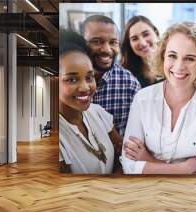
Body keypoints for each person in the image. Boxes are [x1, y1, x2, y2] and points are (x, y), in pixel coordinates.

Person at [120, 22, 196, 174]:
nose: (179, 66)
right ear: (163, 57)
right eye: (172, 56)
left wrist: (149, 161)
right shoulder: (142, 99)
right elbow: (129, 166)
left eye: (189, 58)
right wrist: (184, 168)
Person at [59, 29, 122, 174]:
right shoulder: (59, 135)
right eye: (72, 79)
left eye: (89, 77)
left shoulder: (97, 112)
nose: (85, 87)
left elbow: (123, 151)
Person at [81, 15, 141, 136]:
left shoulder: (129, 85)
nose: (107, 49)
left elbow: (132, 138)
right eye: (97, 41)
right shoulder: (67, 80)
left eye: (113, 42)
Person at [121, 16, 160, 87]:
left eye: (146, 34)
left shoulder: (173, 66)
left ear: (156, 33)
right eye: (135, 39)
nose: (143, 43)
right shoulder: (125, 76)